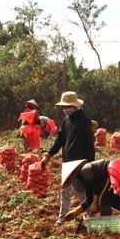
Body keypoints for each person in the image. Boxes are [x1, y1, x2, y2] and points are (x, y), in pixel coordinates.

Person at [41, 91, 96, 225]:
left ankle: (91, 216)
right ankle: (62, 218)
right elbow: (59, 140)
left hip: (81, 162)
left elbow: (90, 143)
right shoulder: (66, 120)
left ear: (75, 106)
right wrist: (48, 155)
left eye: (68, 106)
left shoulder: (84, 121)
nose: (65, 109)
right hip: (67, 161)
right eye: (64, 107)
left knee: (81, 191)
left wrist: (90, 162)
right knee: (65, 191)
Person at [59, 158, 120, 227]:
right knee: (114, 201)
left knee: (104, 202)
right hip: (107, 176)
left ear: (72, 173)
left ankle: (107, 229)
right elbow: (90, 197)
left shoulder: (84, 171)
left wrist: (95, 203)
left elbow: (96, 187)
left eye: (70, 178)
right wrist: (75, 212)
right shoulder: (82, 177)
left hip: (110, 172)